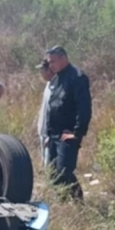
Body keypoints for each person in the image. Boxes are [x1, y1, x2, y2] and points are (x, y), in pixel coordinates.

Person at [43, 46, 91, 202]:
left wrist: (77, 133)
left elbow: (84, 108)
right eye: (49, 62)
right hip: (54, 134)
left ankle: (77, 202)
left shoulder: (77, 77)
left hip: (67, 134)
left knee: (64, 172)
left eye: (53, 62)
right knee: (53, 172)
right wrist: (49, 135)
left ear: (63, 59)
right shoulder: (56, 78)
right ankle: (62, 202)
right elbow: (53, 106)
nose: (51, 65)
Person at [35, 57, 55, 167]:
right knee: (44, 162)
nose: (41, 73)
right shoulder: (48, 85)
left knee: (49, 165)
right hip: (42, 131)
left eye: (42, 70)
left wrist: (50, 135)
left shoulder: (55, 87)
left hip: (49, 133)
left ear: (49, 71)